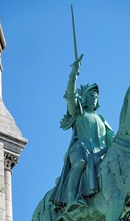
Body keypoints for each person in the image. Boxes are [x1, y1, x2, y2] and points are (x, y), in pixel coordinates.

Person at [50, 54, 115, 209]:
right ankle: (71, 200)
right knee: (80, 163)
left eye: (96, 96)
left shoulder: (102, 119)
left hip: (99, 152)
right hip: (80, 149)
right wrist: (73, 74)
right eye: (91, 95)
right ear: (85, 98)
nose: (94, 99)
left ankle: (126, 214)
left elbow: (111, 140)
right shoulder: (79, 113)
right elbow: (71, 96)